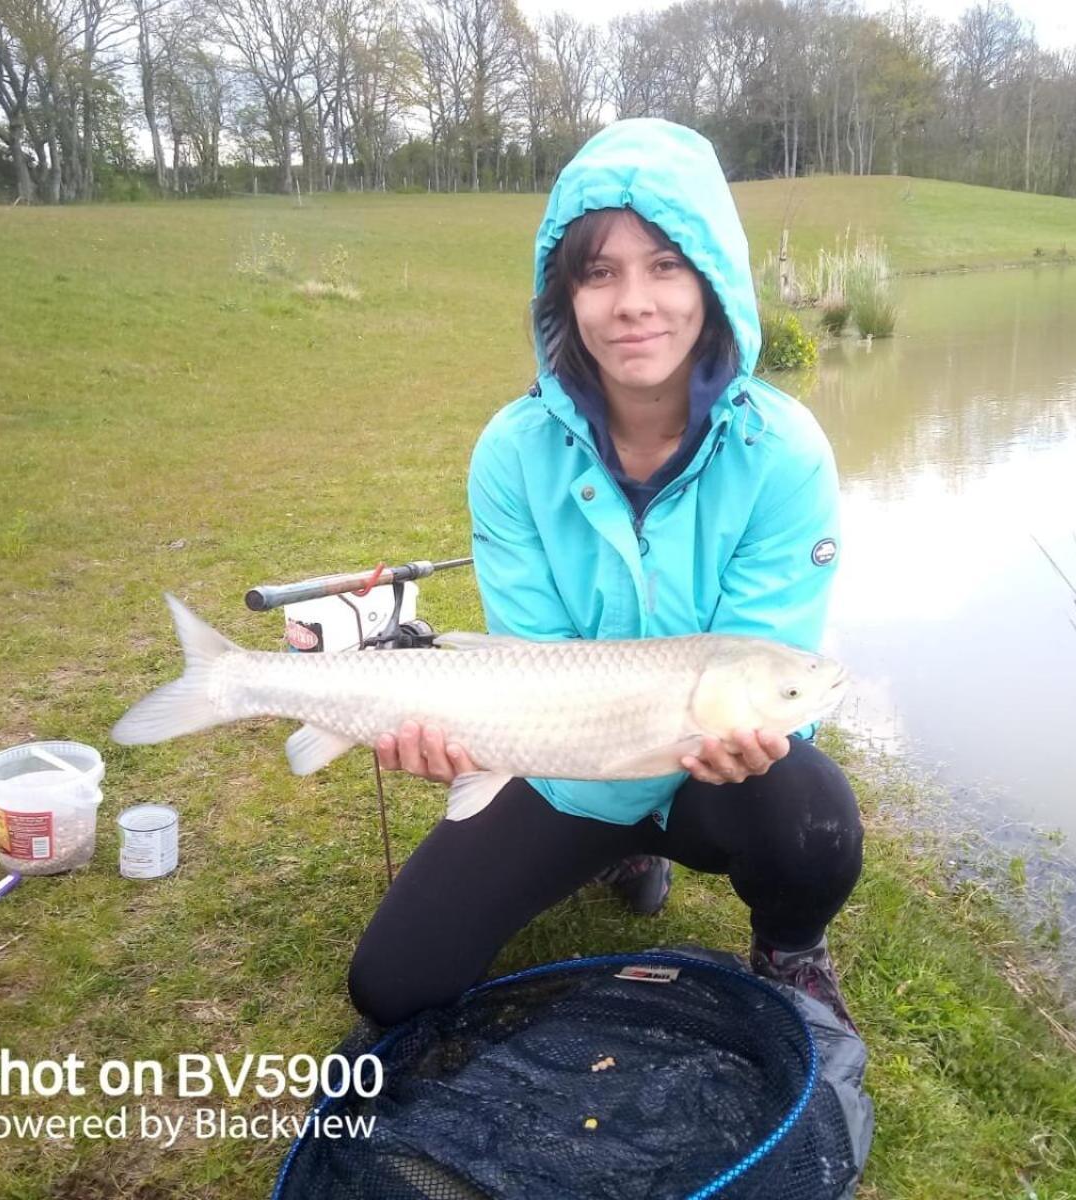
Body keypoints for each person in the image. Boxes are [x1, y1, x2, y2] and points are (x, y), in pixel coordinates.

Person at [350, 119, 863, 1032]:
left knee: (808, 806)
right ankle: (618, 850)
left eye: (665, 264)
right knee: (391, 987)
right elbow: (532, 660)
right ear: (566, 296)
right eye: (600, 273)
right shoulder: (512, 452)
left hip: (717, 784)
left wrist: (758, 735)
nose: (635, 302)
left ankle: (792, 947)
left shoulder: (785, 453)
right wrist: (459, 738)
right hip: (565, 766)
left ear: (711, 278)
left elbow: (767, 655)